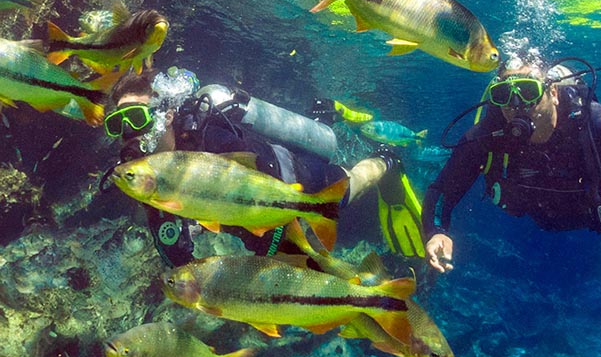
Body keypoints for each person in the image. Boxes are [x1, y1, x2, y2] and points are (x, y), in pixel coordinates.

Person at [104, 66, 424, 267]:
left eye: (136, 118)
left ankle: (386, 160)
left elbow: (264, 189)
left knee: (346, 188)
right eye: (117, 124)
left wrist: (267, 247)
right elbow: (172, 242)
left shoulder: (214, 140)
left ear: (166, 115)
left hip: (293, 176)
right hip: (250, 211)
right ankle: (321, 119)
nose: (129, 133)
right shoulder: (146, 172)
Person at [422, 57, 601, 276]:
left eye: (528, 91)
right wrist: (436, 232)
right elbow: (442, 190)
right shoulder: (487, 135)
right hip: (545, 215)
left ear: (553, 92)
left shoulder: (596, 120)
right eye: (504, 95)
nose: (517, 107)